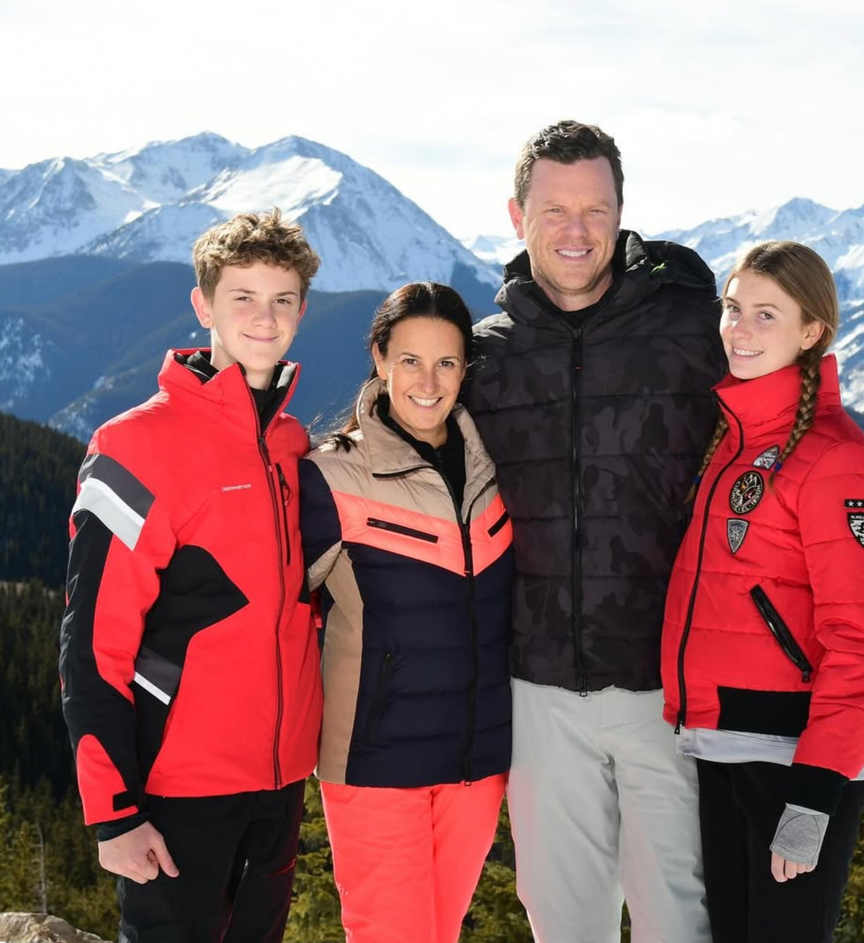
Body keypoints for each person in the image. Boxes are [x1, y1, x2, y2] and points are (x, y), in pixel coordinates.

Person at [464, 119, 724, 943]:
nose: (576, 231)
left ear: (622, 213)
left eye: (595, 210)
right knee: (564, 920)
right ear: (516, 215)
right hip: (540, 691)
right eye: (555, 210)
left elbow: (785, 422)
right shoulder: (485, 355)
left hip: (669, 691)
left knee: (677, 920)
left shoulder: (692, 332)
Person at [58, 209, 324, 943]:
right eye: (242, 297)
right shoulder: (135, 445)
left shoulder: (292, 446)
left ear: (301, 310)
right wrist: (114, 811)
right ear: (203, 305)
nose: (263, 317)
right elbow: (91, 643)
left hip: (278, 783)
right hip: (177, 787)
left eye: (281, 299)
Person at [661, 240, 864, 943]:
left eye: (766, 314)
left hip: (793, 760)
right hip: (721, 746)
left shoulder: (841, 461)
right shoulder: (733, 441)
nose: (740, 329)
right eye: (734, 309)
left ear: (811, 331)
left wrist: (813, 797)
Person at [298, 281, 513, 943]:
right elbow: (275, 616)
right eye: (410, 360)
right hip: (376, 762)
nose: (428, 380)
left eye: (446, 361)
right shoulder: (331, 478)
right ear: (379, 358)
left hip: (477, 763)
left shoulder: (493, 468)